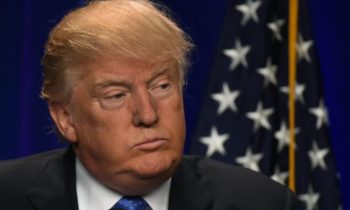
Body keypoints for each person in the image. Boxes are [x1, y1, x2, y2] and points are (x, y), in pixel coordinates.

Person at [0, 0, 296, 209]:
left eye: (162, 86)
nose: (148, 114)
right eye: (116, 95)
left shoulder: (264, 203)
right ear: (66, 117)